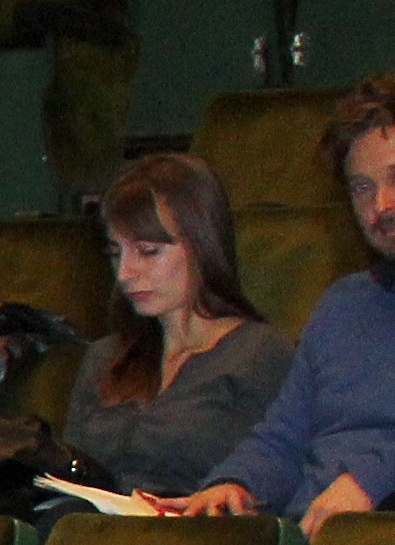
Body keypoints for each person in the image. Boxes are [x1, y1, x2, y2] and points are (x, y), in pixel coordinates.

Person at [177, 72, 395, 535]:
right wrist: (233, 484)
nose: (381, 205)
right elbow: (283, 438)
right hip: (315, 543)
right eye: (361, 188)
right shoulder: (343, 306)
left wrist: (372, 481)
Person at [61, 153, 292, 503]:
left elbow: (274, 474)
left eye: (148, 252)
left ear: (202, 246)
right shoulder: (105, 357)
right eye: (115, 253)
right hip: (93, 537)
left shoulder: (259, 355)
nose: (125, 273)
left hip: (195, 541)